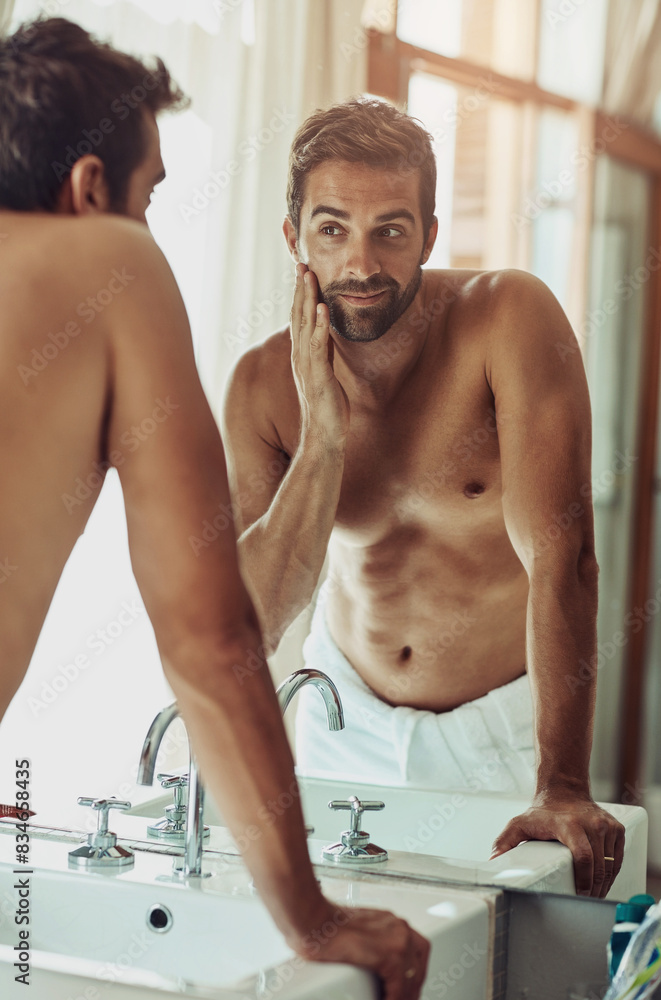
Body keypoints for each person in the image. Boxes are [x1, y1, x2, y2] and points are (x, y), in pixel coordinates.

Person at [0, 19, 429, 998]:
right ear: (92, 190)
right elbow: (207, 637)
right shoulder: (109, 266)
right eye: (147, 198)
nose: (146, 232)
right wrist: (313, 918)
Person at [221, 97, 625, 899]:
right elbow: (248, 622)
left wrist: (563, 782)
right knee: (348, 962)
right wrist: (323, 437)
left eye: (391, 231)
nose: (361, 264)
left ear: (429, 235)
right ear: (294, 235)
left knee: (496, 964)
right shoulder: (263, 386)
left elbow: (564, 558)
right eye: (331, 229)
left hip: (502, 732)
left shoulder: (505, 318)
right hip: (345, 725)